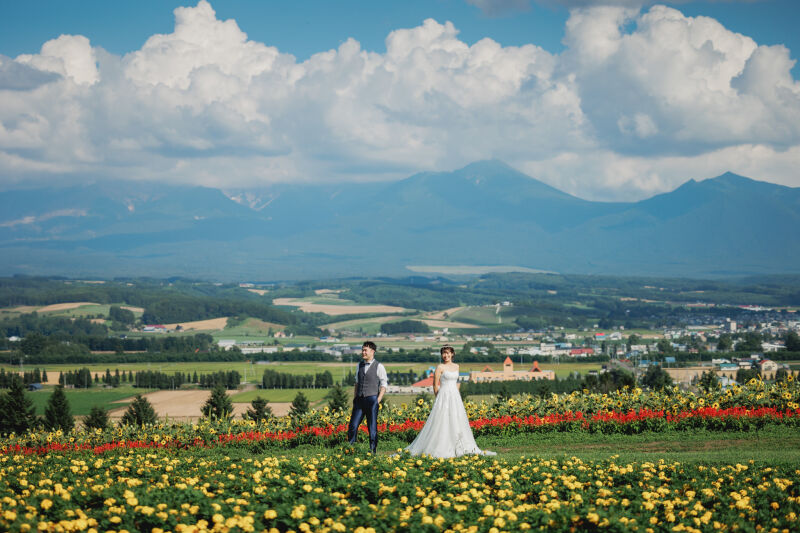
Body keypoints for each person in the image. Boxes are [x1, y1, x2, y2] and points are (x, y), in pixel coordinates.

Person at [405, 345, 495, 458]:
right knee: (442, 420)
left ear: (452, 354)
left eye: (448, 353)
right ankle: (440, 445)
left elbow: (457, 382)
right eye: (443, 353)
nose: (445, 355)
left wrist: (457, 395)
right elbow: (435, 385)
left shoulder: (457, 366)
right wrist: (438, 398)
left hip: (455, 396)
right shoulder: (440, 367)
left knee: (456, 419)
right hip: (443, 395)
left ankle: (458, 445)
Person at [347, 341, 388, 454]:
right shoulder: (359, 365)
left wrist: (377, 400)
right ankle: (350, 450)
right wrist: (355, 398)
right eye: (362, 350)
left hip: (372, 400)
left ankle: (372, 451)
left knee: (372, 427)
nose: (363, 352)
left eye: (365, 350)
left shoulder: (379, 366)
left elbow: (384, 384)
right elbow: (357, 383)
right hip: (359, 401)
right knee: (353, 426)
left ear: (372, 351)